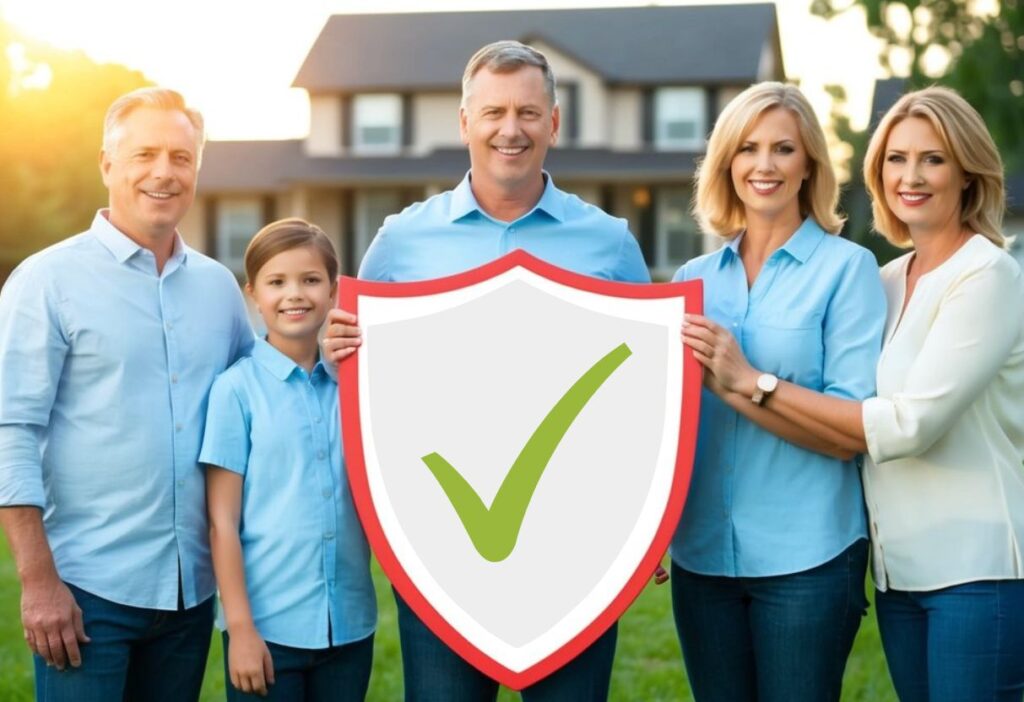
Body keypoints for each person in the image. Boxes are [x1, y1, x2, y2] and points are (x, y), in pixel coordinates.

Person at [322, 40, 650, 701]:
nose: (511, 130)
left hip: (576, 549)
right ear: (464, 121)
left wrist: (642, 519)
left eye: (529, 113)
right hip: (439, 542)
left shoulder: (608, 242)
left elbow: (645, 390)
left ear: (554, 124)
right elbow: (356, 372)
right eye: (494, 111)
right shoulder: (402, 242)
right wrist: (335, 350)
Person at [687, 86, 1024, 701]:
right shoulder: (891, 278)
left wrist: (750, 382)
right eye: (896, 159)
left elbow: (901, 426)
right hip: (901, 570)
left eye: (934, 158)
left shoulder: (987, 276)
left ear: (968, 173)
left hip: (977, 567)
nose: (911, 176)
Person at [0, 88, 254, 701]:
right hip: (85, 593)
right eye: (144, 154)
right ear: (108, 165)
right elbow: (12, 430)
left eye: (181, 157)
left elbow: (265, 394)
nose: (164, 173)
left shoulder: (221, 290)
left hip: (190, 592)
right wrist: (38, 582)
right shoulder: (47, 280)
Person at [670, 82, 885, 702]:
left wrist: (748, 381)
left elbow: (850, 432)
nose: (763, 166)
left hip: (809, 560)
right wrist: (646, 524)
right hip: (703, 557)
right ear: (726, 163)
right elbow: (664, 420)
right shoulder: (691, 282)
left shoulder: (847, 271)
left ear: (809, 164)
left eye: (783, 149)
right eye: (747, 149)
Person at [202, 218, 377, 701]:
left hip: (349, 626)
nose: (294, 294)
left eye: (311, 280)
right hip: (267, 630)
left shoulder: (357, 387)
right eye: (277, 282)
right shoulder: (234, 392)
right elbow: (222, 521)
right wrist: (239, 630)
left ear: (334, 290)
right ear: (253, 293)